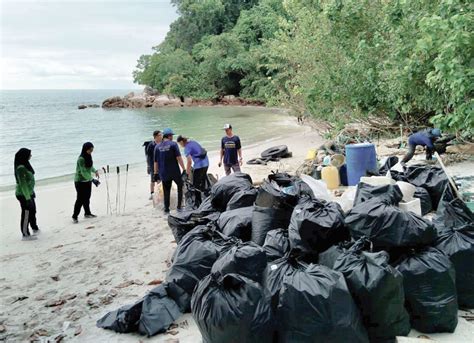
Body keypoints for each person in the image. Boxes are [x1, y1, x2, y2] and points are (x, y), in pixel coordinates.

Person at [154, 128, 185, 214]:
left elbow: (155, 162)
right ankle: (179, 207)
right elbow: (179, 158)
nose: (172, 137)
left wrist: (155, 173)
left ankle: (166, 209)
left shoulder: (157, 147)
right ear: (169, 136)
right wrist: (184, 169)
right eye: (172, 135)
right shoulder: (173, 144)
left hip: (164, 172)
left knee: (166, 190)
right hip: (174, 171)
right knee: (180, 187)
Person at [14, 148, 40, 241]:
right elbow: (23, 184)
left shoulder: (26, 164)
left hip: (29, 192)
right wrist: (28, 198)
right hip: (23, 194)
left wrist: (32, 192)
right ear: (24, 156)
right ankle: (25, 234)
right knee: (26, 213)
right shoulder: (20, 168)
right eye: (29, 154)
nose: (31, 156)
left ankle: (34, 227)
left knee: (33, 211)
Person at [72, 142, 99, 223]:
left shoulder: (88, 156)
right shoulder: (81, 159)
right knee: (80, 199)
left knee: (87, 198)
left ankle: (87, 213)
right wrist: (92, 179)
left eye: (92, 150)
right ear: (85, 149)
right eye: (90, 150)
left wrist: (95, 171)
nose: (91, 151)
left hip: (87, 181)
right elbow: (83, 172)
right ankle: (75, 216)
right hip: (79, 181)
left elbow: (90, 167)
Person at [177, 135, 209, 200]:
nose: (180, 145)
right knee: (203, 182)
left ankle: (198, 203)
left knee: (196, 186)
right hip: (206, 164)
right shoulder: (194, 142)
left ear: (182, 142)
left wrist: (187, 174)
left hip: (199, 167)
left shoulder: (186, 148)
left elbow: (189, 162)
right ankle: (206, 198)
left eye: (180, 144)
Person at [146, 130, 162, 200]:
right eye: (160, 135)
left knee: (160, 179)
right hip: (152, 165)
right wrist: (148, 166)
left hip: (161, 164)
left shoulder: (162, 143)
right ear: (156, 136)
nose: (161, 136)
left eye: (161, 135)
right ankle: (152, 193)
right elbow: (148, 157)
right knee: (153, 180)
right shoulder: (151, 145)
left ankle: (160, 193)